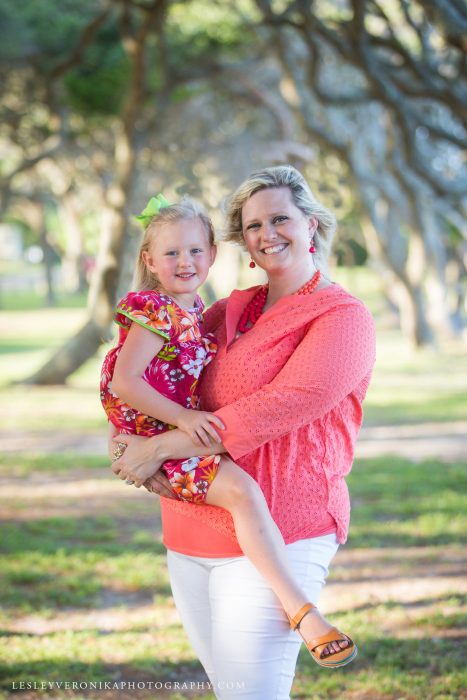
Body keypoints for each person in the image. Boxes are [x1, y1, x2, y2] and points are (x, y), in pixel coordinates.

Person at [111, 166, 376, 699]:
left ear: (312, 225)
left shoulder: (343, 316)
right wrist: (121, 443)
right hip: (188, 530)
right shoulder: (226, 310)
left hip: (285, 525)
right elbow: (150, 376)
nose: (267, 233)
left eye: (280, 218)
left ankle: (305, 611)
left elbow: (277, 408)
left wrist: (158, 448)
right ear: (242, 243)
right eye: (253, 225)